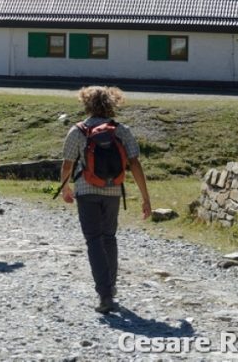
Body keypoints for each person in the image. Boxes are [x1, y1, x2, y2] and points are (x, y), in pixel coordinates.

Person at [58, 86, 151, 314]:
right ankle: (110, 286)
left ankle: (105, 294)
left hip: (87, 191)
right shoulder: (121, 131)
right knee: (109, 237)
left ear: (86, 104)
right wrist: (145, 198)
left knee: (93, 240)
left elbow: (68, 163)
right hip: (113, 192)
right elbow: (135, 164)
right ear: (112, 103)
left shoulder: (78, 131)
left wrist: (65, 188)